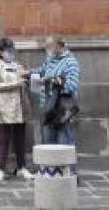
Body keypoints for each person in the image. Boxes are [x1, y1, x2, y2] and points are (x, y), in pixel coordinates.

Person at [0, 37, 34, 183]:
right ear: (1, 52)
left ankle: (21, 167)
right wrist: (16, 83)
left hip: (20, 107)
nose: (11, 53)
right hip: (3, 107)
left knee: (20, 139)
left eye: (12, 50)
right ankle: (1, 169)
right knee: (3, 139)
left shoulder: (18, 65)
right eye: (8, 50)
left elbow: (24, 84)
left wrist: (29, 78)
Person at [35, 36, 81, 172]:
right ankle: (50, 172)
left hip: (62, 109)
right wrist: (28, 73)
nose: (47, 49)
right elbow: (40, 71)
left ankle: (70, 173)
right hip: (49, 108)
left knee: (64, 142)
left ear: (59, 46)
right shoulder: (50, 60)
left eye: (50, 46)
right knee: (49, 141)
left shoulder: (71, 62)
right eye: (46, 46)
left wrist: (50, 81)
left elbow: (71, 86)